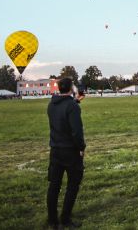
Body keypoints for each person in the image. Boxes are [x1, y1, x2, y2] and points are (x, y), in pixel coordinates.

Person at [47, 78, 86, 229]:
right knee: (73, 185)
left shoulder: (52, 104)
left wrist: (75, 101)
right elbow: (76, 131)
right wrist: (81, 147)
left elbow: (62, 114)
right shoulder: (71, 106)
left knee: (54, 186)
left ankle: (52, 220)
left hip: (55, 150)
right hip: (70, 151)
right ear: (70, 88)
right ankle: (65, 219)